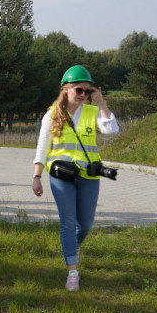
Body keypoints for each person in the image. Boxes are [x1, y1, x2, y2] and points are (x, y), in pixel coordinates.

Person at [32, 65, 119, 292]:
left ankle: (71, 248)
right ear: (66, 89)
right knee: (68, 223)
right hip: (61, 175)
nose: (83, 95)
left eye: (88, 91)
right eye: (79, 90)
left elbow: (111, 130)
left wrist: (101, 103)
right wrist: (37, 176)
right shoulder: (52, 115)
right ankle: (73, 271)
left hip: (89, 176)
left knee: (86, 224)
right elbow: (42, 148)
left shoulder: (92, 112)